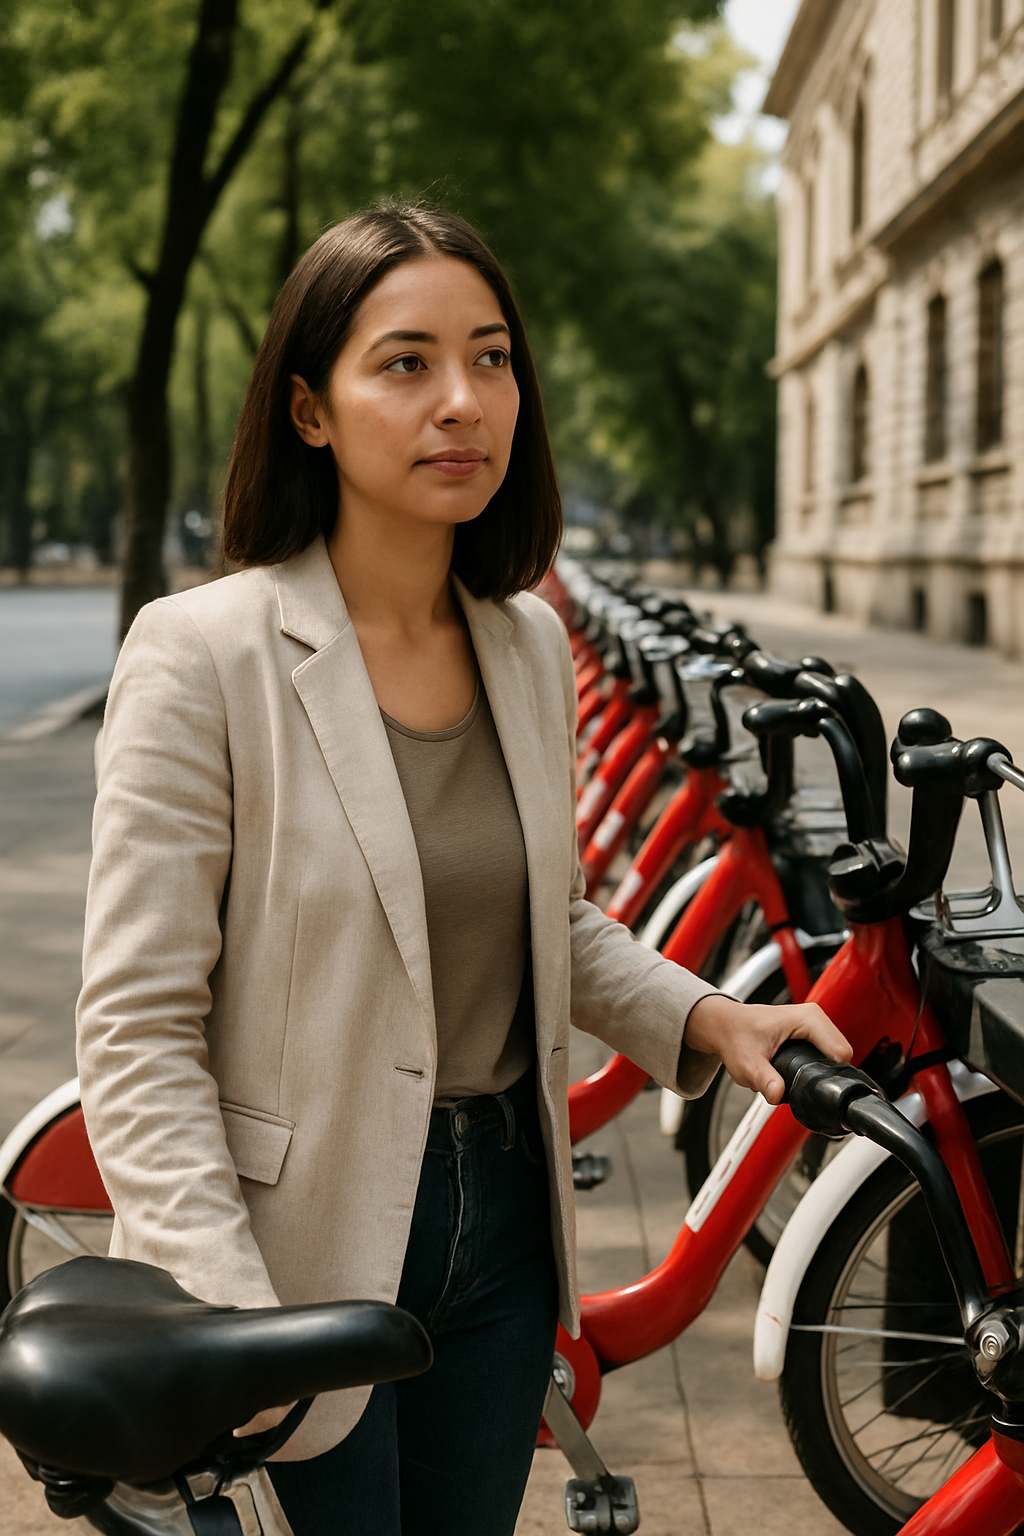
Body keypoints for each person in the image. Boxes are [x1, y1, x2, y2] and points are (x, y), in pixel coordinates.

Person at [76, 202, 850, 1536]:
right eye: (406, 362)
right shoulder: (201, 654)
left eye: (491, 359)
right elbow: (138, 1030)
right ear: (310, 410)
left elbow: (545, 919)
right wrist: (223, 1301)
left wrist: (711, 1017)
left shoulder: (525, 645)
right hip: (292, 1239)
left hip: (503, 1219)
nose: (463, 401)